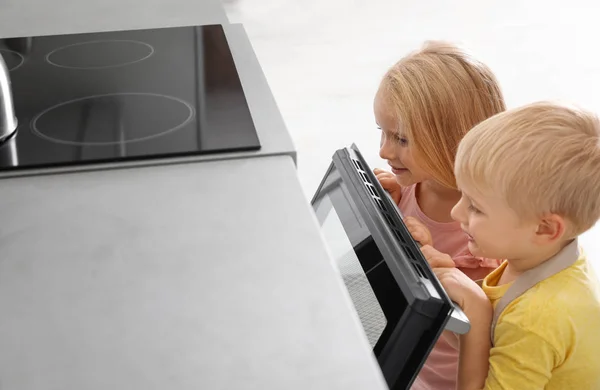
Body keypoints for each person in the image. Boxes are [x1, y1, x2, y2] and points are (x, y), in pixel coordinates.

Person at [425, 102, 600, 389]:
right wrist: (451, 286)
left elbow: (493, 327)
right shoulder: (540, 258)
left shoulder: (538, 318)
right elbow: (494, 337)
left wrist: (477, 311)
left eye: (476, 208)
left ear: (545, 229)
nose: (456, 213)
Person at [373, 41, 505, 389]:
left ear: (453, 140)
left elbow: (467, 335)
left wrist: (428, 261)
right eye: (382, 133)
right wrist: (388, 210)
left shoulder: (491, 236)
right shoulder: (411, 188)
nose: (384, 151)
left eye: (401, 139)